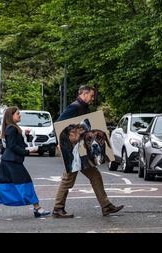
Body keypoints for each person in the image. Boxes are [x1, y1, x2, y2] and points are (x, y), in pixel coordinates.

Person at [52, 85, 124, 218]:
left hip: (81, 150)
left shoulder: (83, 107)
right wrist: (63, 143)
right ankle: (58, 208)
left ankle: (106, 206)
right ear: (84, 94)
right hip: (74, 150)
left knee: (95, 175)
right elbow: (60, 123)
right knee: (68, 179)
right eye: (91, 96)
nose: (92, 99)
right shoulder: (75, 107)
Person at [0, 107, 51, 219]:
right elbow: (12, 146)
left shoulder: (13, 128)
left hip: (8, 161)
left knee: (3, 185)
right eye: (18, 114)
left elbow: (17, 143)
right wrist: (27, 151)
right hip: (12, 162)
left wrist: (26, 135)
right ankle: (37, 208)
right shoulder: (11, 128)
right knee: (26, 183)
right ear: (11, 116)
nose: (20, 115)